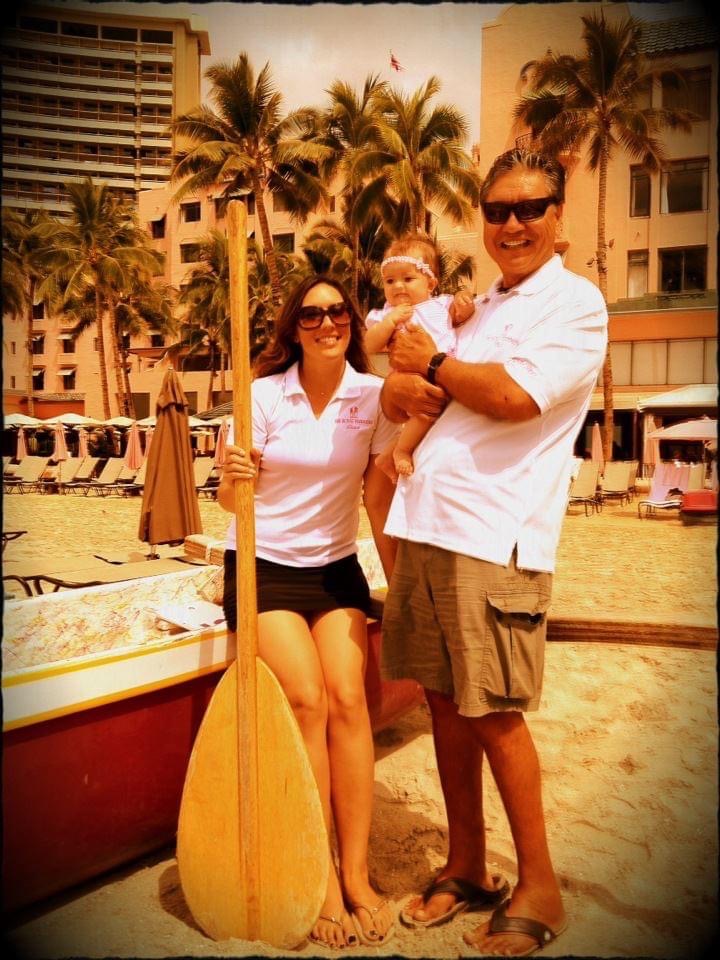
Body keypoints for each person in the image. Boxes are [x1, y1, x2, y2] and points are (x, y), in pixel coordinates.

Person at [379, 148, 608, 956]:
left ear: (558, 214)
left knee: (493, 711)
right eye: (498, 210)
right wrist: (407, 384)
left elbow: (513, 399)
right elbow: (410, 382)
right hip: (428, 522)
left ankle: (539, 885)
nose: (512, 224)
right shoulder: (484, 307)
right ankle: (468, 864)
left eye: (530, 207)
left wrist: (432, 366)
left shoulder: (575, 305)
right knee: (441, 700)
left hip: (495, 535)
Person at [217, 276, 399, 949]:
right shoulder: (261, 396)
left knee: (352, 699)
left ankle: (356, 873)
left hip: (335, 569)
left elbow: (378, 500)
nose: (328, 323)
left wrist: (400, 584)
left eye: (339, 313)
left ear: (352, 322)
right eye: (314, 314)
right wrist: (233, 474)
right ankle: (320, 875)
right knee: (307, 699)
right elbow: (228, 504)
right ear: (295, 328)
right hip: (262, 567)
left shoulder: (374, 398)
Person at [364, 235, 474, 479]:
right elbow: (369, 344)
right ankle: (401, 451)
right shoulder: (385, 313)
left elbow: (460, 317)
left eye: (408, 279)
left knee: (441, 416)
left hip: (445, 368)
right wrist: (390, 322)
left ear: (431, 284)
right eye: (390, 281)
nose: (398, 286)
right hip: (411, 375)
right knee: (426, 414)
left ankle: (388, 455)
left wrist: (464, 304)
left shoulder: (442, 305)